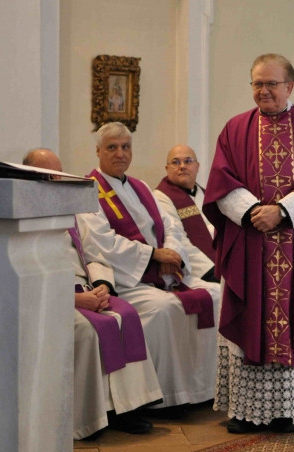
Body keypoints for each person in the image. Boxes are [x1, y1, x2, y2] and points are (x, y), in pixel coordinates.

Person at [203, 53, 294, 434]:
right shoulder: (235, 129)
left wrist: (281, 212)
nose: (263, 91)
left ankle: (287, 411)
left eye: (271, 83)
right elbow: (220, 183)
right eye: (257, 83)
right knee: (246, 320)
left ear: (289, 86)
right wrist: (254, 212)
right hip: (248, 243)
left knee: (291, 320)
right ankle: (244, 411)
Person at [22, 148, 163, 440]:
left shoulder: (71, 212)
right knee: (87, 330)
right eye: (50, 175)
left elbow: (92, 255)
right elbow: (28, 275)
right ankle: (90, 417)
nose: (58, 181)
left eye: (60, 174)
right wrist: (72, 299)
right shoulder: (22, 219)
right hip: (52, 297)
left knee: (127, 315)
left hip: (87, 290)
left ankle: (128, 407)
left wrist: (102, 286)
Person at [82, 122, 220, 413]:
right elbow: (101, 243)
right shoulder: (89, 191)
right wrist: (154, 255)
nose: (120, 153)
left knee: (217, 295)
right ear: (98, 151)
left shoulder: (141, 187)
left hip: (164, 273)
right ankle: (169, 396)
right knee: (163, 308)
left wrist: (172, 253)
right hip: (129, 281)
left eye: (125, 147)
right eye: (112, 147)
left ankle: (206, 388)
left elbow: (171, 227)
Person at [153, 144, 217, 281]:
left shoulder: (207, 195)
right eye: (175, 162)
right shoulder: (161, 197)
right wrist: (210, 271)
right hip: (198, 272)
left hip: (221, 263)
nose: (182, 166)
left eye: (188, 161)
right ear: (167, 168)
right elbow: (178, 239)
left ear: (197, 167)